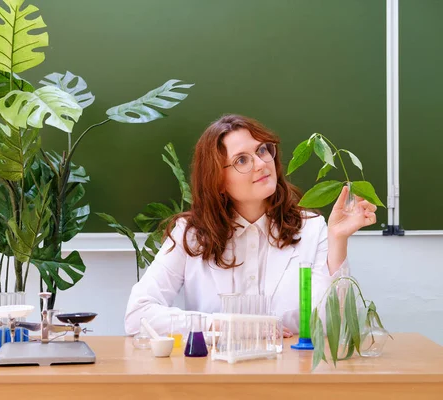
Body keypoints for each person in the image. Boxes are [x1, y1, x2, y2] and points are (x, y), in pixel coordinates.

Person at [124, 114, 377, 337]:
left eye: (262, 151)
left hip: (290, 377)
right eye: (242, 160)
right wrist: (224, 325)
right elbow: (138, 316)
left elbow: (333, 325)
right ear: (218, 181)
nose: (260, 164)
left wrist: (338, 240)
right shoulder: (189, 234)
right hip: (214, 379)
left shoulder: (311, 228)